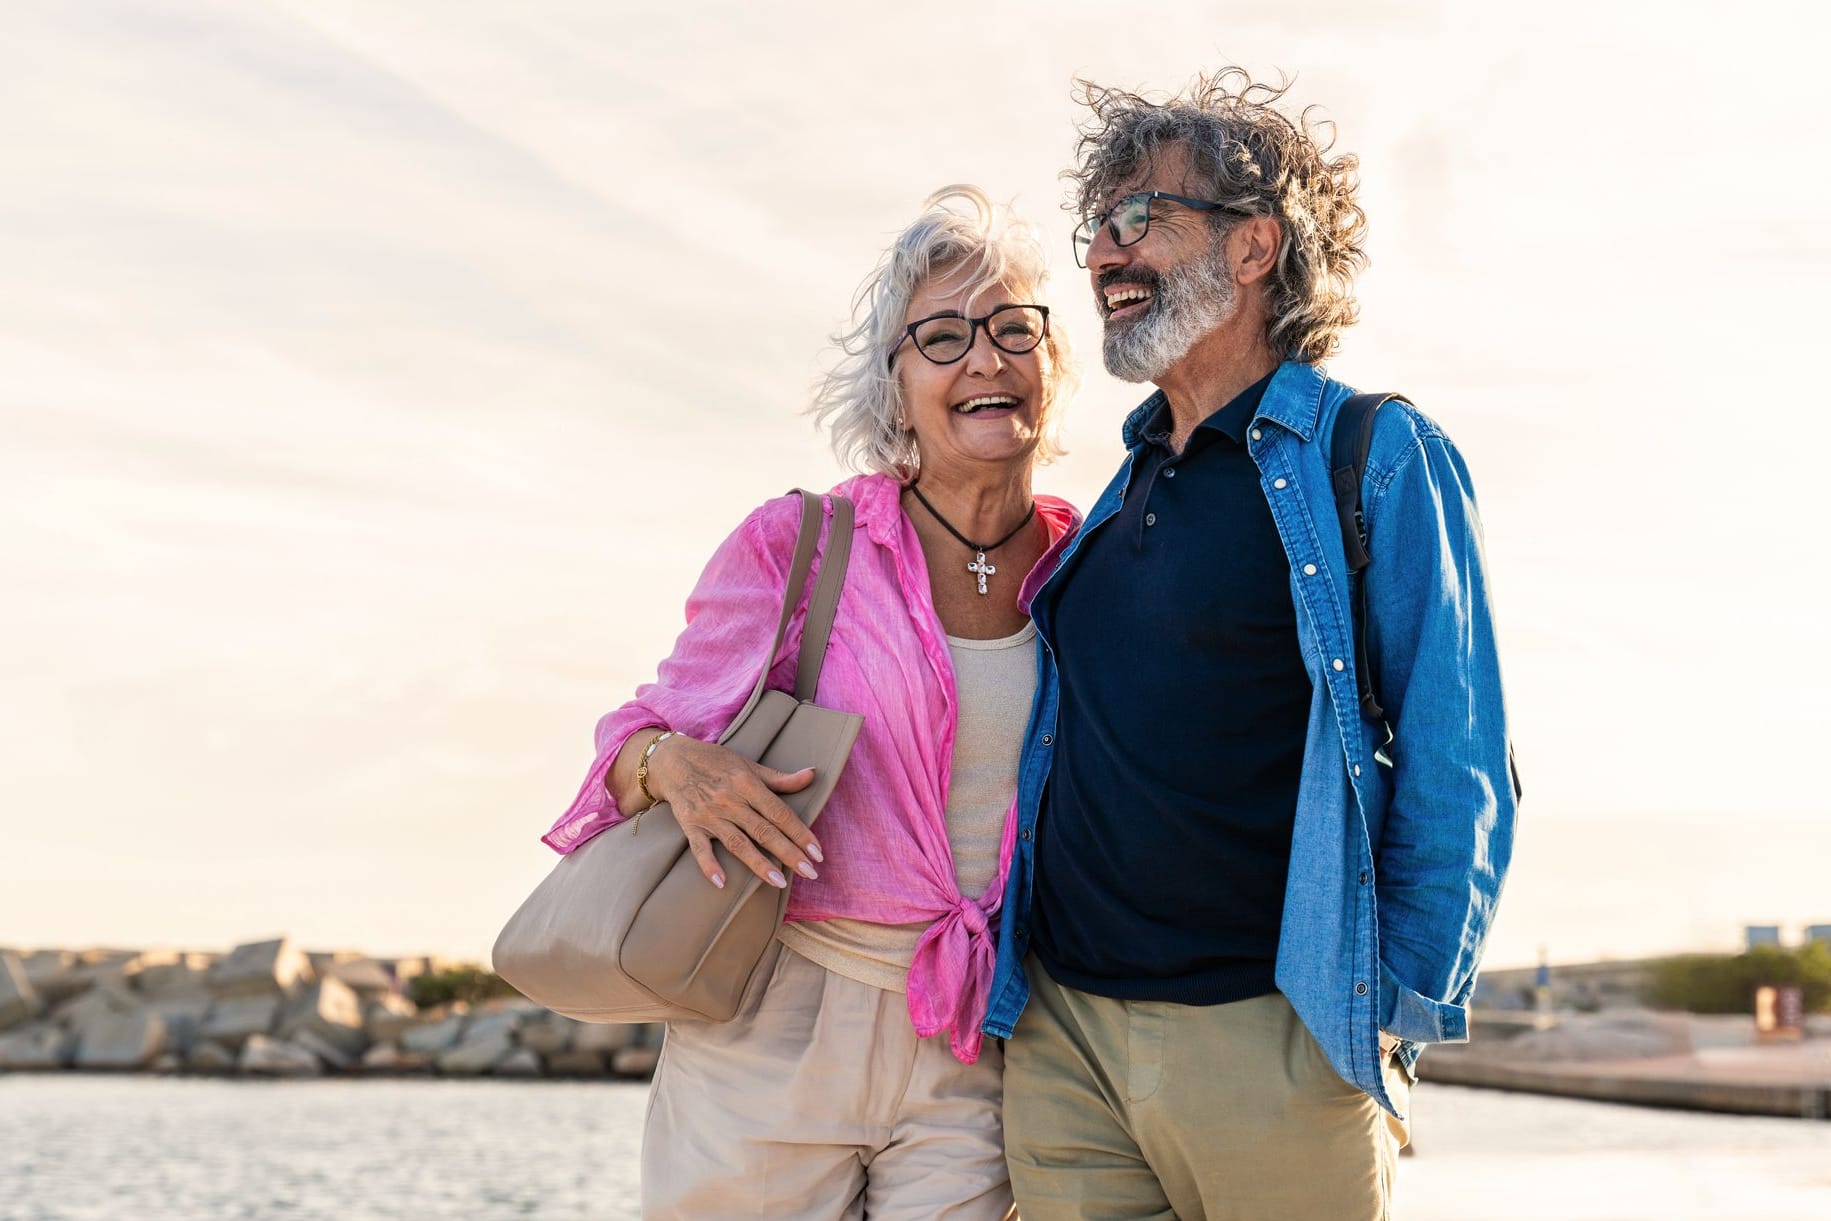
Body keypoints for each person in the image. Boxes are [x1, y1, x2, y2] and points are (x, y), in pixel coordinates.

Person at [982, 70, 1519, 1219]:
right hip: (1064, 1038)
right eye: (1097, 229)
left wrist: (1388, 1017)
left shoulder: (1373, 457)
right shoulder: (1121, 490)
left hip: (1271, 1040)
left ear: (1251, 248)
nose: (1104, 257)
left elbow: (1458, 754)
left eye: (1143, 219)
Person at [541, 186, 1078, 1221]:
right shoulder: (802, 549)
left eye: (1015, 328)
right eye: (942, 336)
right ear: (895, 380)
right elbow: (630, 741)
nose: (985, 358)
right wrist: (671, 766)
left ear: (1050, 364)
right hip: (773, 1021)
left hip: (976, 1037)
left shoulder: (1089, 568)